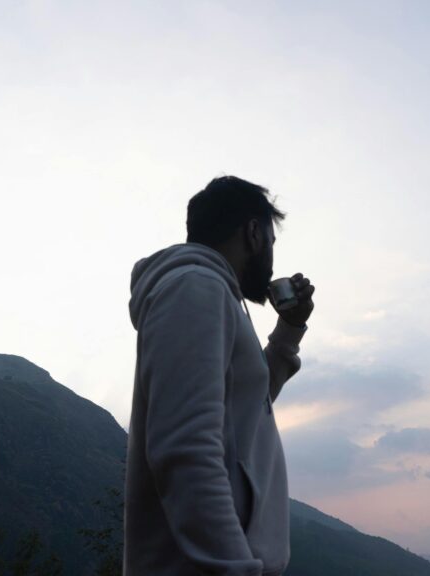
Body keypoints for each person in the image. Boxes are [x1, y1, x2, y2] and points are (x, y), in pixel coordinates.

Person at [124, 175, 314, 576]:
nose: (271, 259)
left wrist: (289, 330)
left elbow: (246, 406)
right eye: (271, 243)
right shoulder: (194, 288)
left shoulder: (213, 295)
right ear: (253, 233)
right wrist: (234, 568)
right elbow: (186, 448)